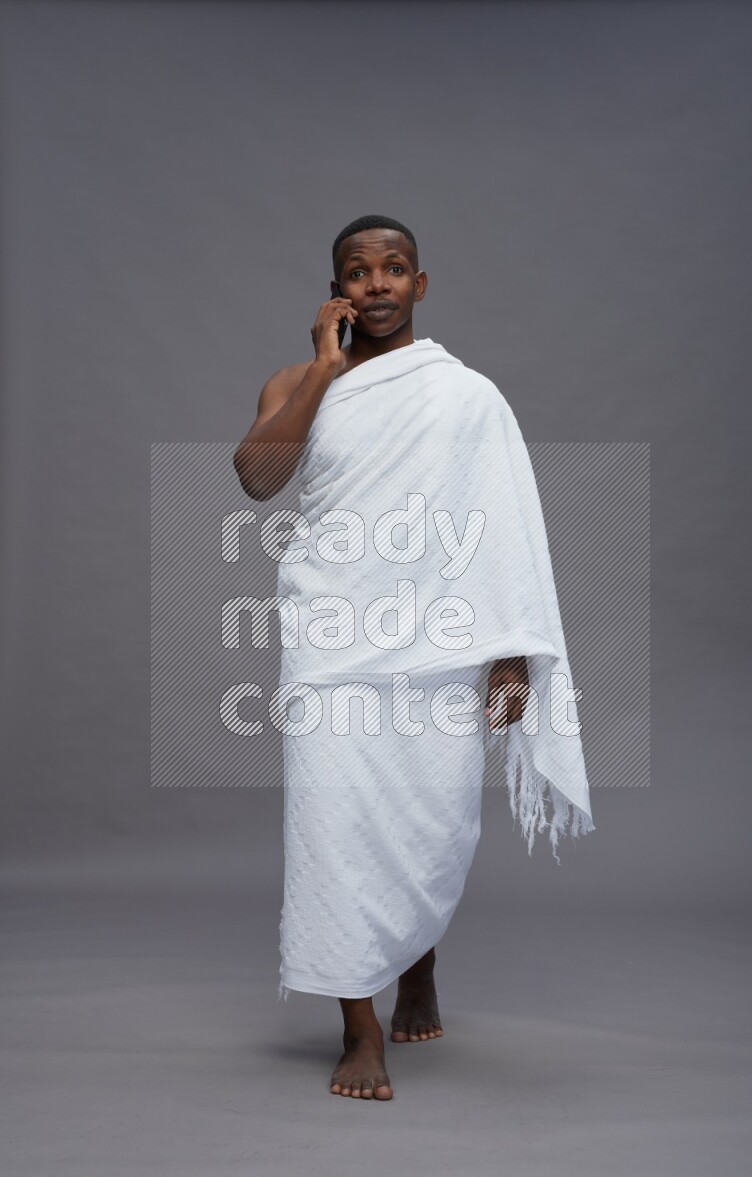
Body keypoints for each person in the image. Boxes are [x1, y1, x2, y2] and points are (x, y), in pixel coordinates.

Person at [233, 214, 593, 1101]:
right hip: (331, 639)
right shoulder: (298, 380)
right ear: (334, 291)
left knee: (420, 819)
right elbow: (257, 476)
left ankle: (417, 966)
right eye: (359, 272)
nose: (379, 283)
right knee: (333, 823)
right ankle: (358, 1028)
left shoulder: (466, 396)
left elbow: (503, 527)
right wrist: (322, 370)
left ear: (421, 285)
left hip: (438, 642)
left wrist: (510, 657)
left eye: (396, 268)